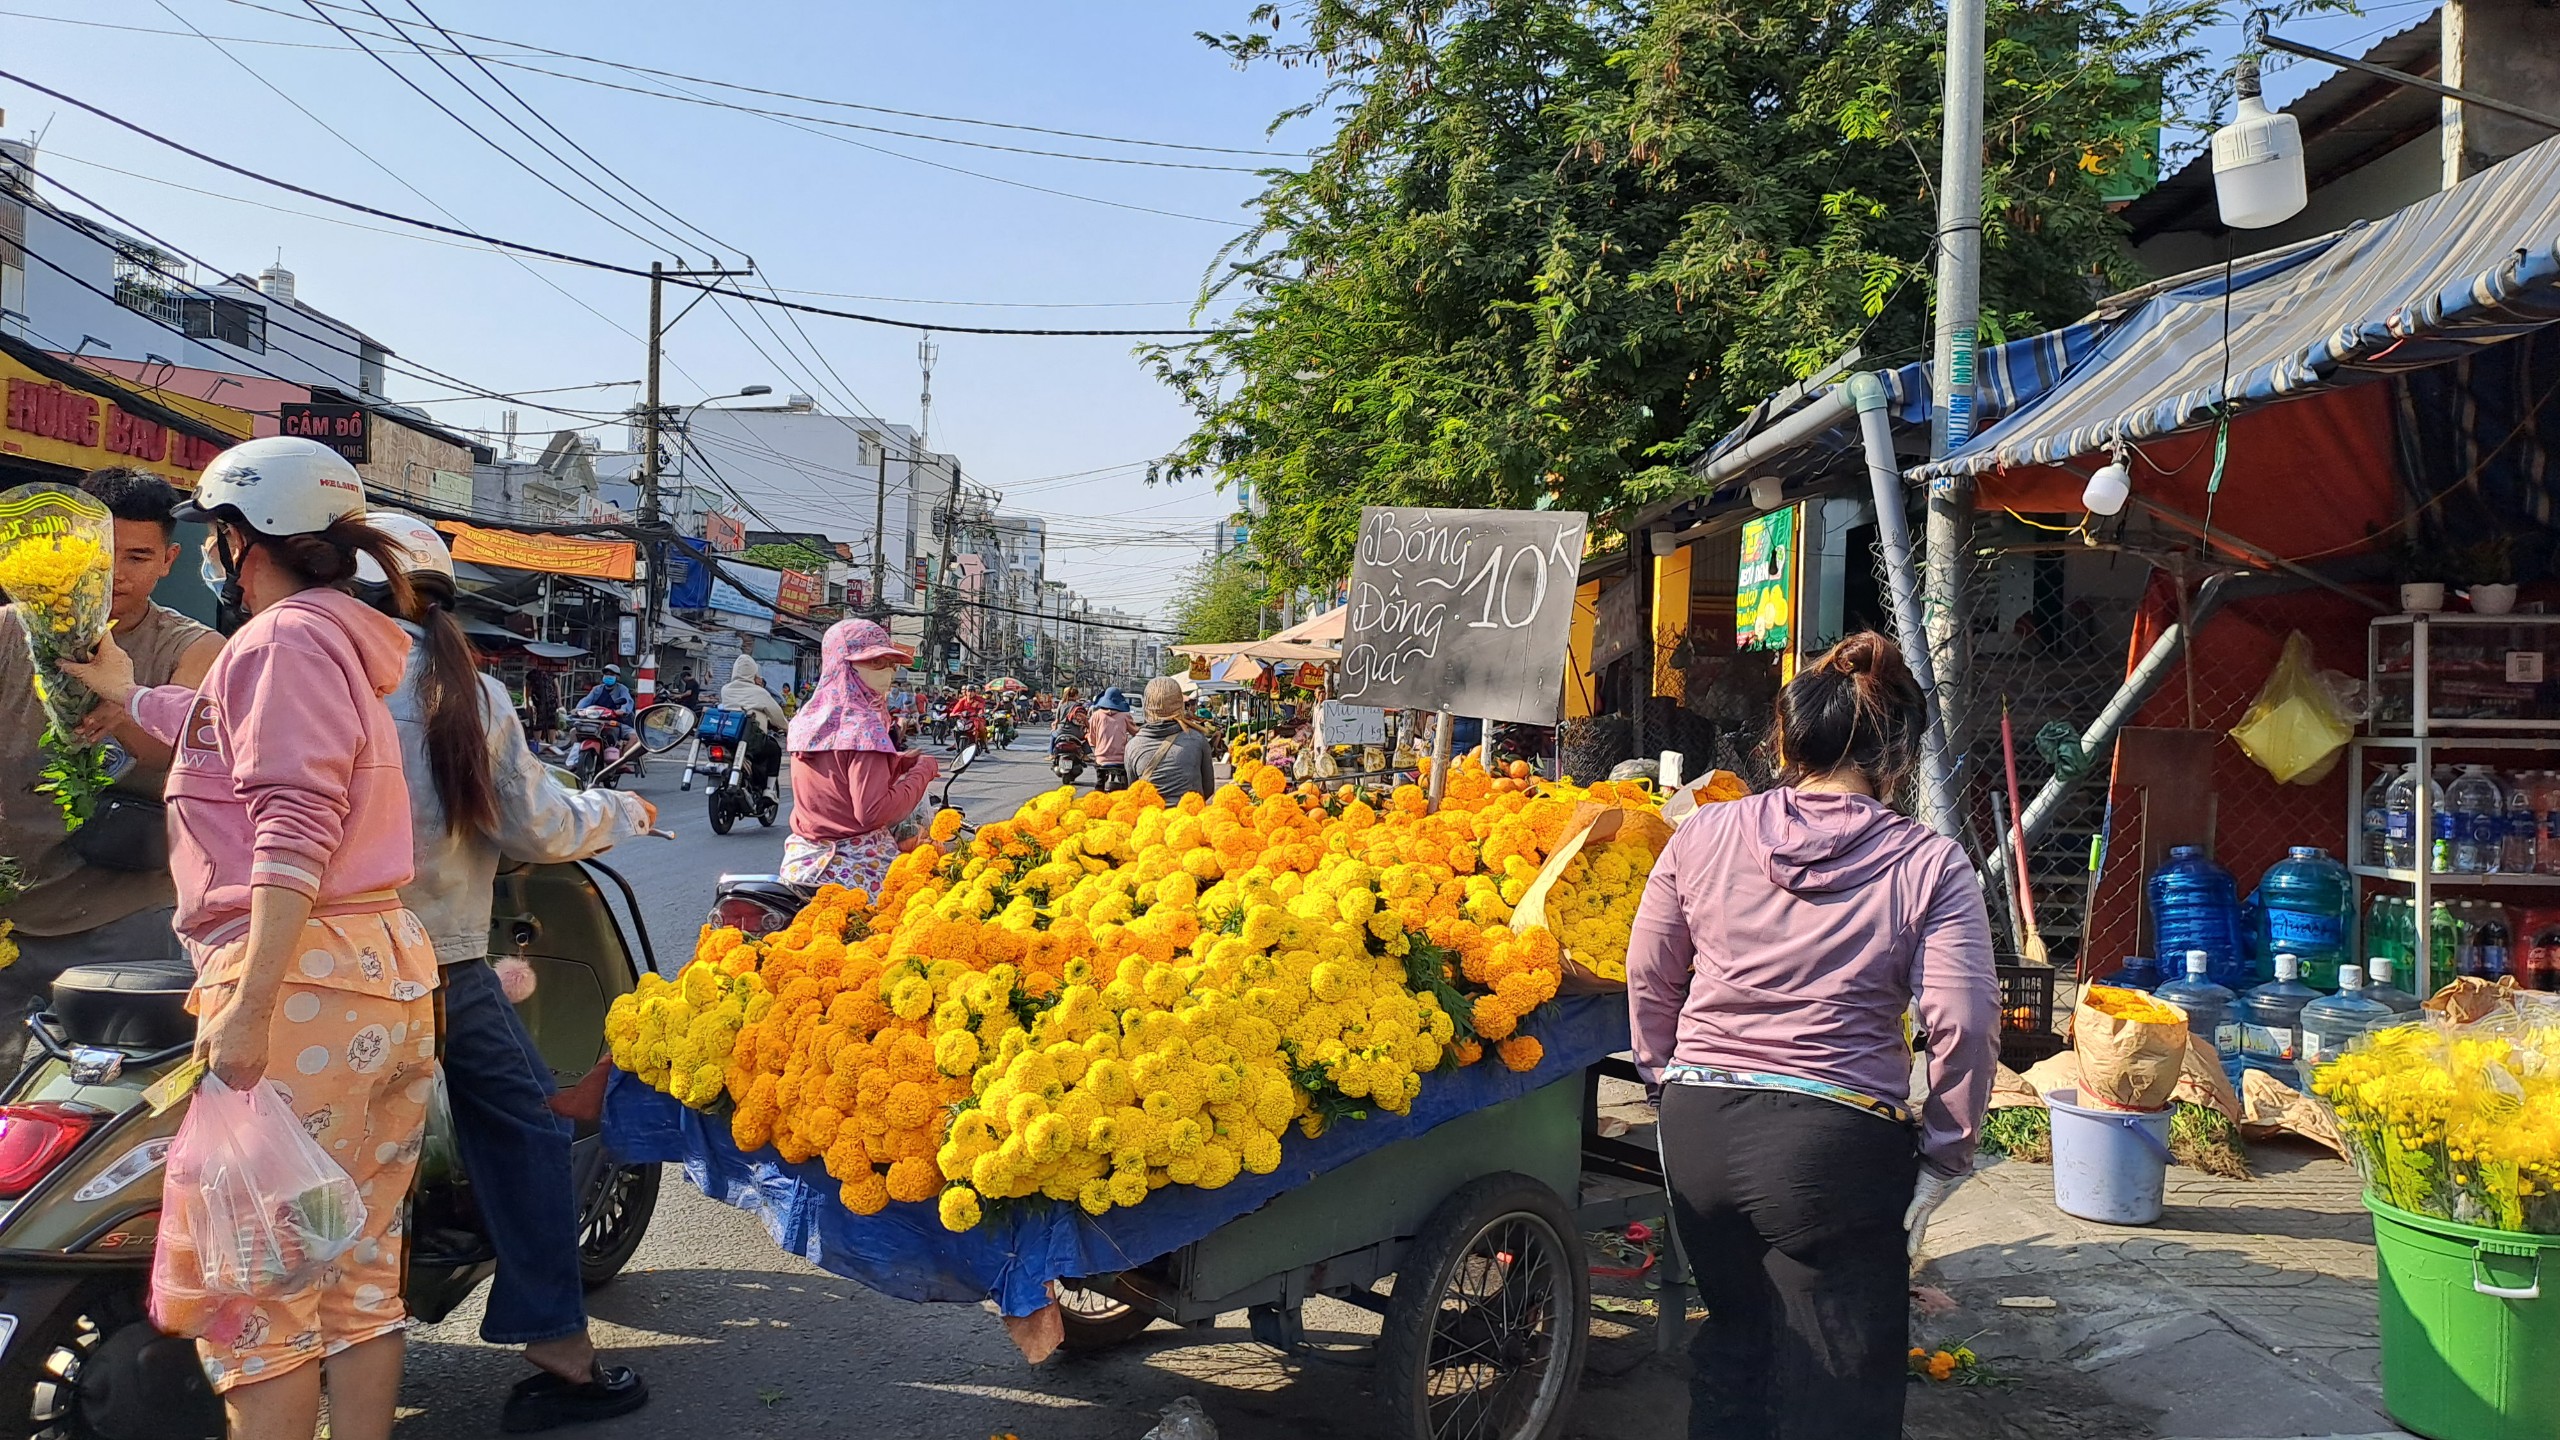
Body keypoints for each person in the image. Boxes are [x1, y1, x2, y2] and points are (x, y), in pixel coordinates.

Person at [61, 436, 436, 1440]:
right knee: (353, 1260)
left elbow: (291, 829)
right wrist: (130, 693)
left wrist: (250, 1005)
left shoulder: (281, 642)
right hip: (376, 972)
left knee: (259, 1286)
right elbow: (232, 730)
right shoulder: (332, 638)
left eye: (211, 536)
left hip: (301, 980)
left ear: (241, 538)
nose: (205, 554)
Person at [1623, 632, 1997, 1440]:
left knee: (1736, 1346)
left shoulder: (1701, 834)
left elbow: (1649, 972)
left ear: (1784, 742)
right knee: (1837, 1382)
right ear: (1899, 755)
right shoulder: (1930, 864)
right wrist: (1947, 1155)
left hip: (1701, 1128)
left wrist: (1662, 1081)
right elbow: (1963, 1022)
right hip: (1834, 1143)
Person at [347, 514, 654, 1431]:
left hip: (279, 958)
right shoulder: (456, 691)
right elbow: (537, 826)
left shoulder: (265, 663)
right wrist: (625, 812)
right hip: (431, 957)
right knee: (526, 1127)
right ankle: (556, 1344)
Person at [0, 467, 222, 1072]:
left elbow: (191, 760)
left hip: (127, 916)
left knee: (108, 1094)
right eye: (102, 554)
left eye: (138, 556)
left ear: (168, 561)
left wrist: (123, 704)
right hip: (13, 912)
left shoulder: (193, 648)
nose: (116, 574)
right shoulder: (10, 630)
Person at [780, 619, 939, 898]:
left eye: (891, 664)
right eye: (876, 662)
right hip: (857, 869)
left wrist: (895, 764)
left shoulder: (808, 718)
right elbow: (872, 812)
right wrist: (922, 772)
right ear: (843, 665)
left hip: (801, 863)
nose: (888, 671)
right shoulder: (863, 726)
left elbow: (837, 781)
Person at [1128, 677, 1216, 806]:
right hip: (1189, 815)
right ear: (1180, 704)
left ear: (1146, 706)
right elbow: (1208, 789)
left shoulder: (1133, 745)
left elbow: (1134, 791)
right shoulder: (1197, 740)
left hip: (1149, 817)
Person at [720, 654, 788, 797]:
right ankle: (769, 790)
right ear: (754, 673)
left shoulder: (725, 689)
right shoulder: (760, 692)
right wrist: (788, 728)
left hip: (728, 737)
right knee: (774, 749)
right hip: (752, 739)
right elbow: (777, 716)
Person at [1088, 687, 1135, 792]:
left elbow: (1092, 738)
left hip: (1101, 759)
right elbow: (1136, 732)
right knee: (1126, 788)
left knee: (1099, 785)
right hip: (1121, 759)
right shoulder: (1125, 716)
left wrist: (1098, 746)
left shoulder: (1096, 715)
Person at [524, 662, 563, 754]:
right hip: (537, 702)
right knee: (538, 722)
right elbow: (527, 688)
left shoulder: (551, 674)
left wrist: (559, 702)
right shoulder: (532, 674)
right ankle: (537, 744)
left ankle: (552, 744)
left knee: (551, 722)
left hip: (551, 702)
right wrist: (527, 702)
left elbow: (557, 687)